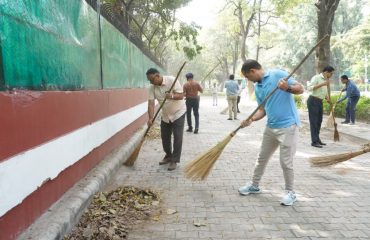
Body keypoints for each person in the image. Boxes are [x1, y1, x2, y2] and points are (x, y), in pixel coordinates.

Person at [238, 59, 304, 206]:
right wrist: (250, 119)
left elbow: (300, 89)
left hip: (288, 126)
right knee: (261, 158)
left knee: (285, 162)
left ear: (253, 71)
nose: (248, 80)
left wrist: (287, 88)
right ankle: (254, 186)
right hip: (271, 127)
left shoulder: (278, 74)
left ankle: (290, 192)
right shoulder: (258, 87)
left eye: (248, 77)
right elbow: (262, 110)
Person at [146, 68, 186, 171]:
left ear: (158, 76)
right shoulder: (152, 87)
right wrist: (150, 118)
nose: (151, 82)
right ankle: (168, 155)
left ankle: (174, 160)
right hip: (165, 115)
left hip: (178, 113)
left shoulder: (172, 80)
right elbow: (150, 104)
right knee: (165, 137)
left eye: (152, 80)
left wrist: (172, 96)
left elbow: (181, 96)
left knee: (177, 137)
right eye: (149, 80)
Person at [307, 66, 334, 148]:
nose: (332, 75)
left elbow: (324, 92)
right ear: (326, 72)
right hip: (313, 101)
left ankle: (317, 139)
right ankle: (314, 142)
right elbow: (309, 88)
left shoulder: (327, 80)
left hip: (320, 101)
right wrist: (322, 84)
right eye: (331, 73)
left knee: (319, 121)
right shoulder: (316, 78)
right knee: (314, 122)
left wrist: (327, 98)